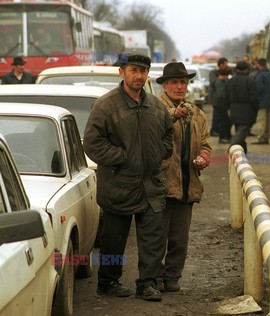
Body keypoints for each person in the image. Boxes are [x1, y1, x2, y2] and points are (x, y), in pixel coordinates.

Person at [83, 53, 173, 302]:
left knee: (153, 239)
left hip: (151, 185)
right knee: (114, 240)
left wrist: (161, 152)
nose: (139, 76)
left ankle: (148, 284)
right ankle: (108, 282)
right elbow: (92, 144)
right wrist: (123, 157)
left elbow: (168, 134)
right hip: (118, 184)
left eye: (143, 71)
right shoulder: (105, 105)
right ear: (121, 72)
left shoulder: (156, 106)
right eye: (134, 70)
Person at [156, 62, 212, 292]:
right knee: (156, 238)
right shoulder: (155, 108)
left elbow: (206, 144)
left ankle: (172, 278)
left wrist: (204, 157)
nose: (180, 87)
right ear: (165, 86)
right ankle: (152, 279)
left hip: (188, 184)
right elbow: (154, 129)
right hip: (161, 185)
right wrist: (172, 115)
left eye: (183, 82)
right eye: (175, 82)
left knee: (180, 239)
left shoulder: (196, 113)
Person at [225, 61, 259, 153]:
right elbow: (254, 98)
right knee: (242, 132)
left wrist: (228, 108)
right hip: (247, 110)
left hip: (233, 109)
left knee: (239, 131)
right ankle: (232, 147)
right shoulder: (250, 81)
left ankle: (242, 153)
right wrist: (255, 108)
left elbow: (226, 97)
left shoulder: (230, 81)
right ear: (247, 69)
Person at [252, 58, 270, 144]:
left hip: (262, 101)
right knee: (268, 121)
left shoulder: (260, 75)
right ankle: (266, 137)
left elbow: (258, 88)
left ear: (259, 64)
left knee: (262, 120)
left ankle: (261, 138)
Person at [208, 57, 229, 136]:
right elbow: (212, 82)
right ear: (221, 64)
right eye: (225, 64)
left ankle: (219, 130)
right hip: (215, 97)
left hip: (223, 98)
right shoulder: (213, 72)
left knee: (222, 115)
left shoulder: (225, 71)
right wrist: (219, 79)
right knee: (216, 115)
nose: (226, 66)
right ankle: (214, 130)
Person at [214, 68, 232, 144]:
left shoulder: (222, 81)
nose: (227, 78)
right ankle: (222, 137)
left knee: (226, 121)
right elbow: (220, 94)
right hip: (221, 104)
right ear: (223, 76)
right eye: (226, 76)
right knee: (224, 121)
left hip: (223, 104)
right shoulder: (219, 82)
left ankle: (227, 136)